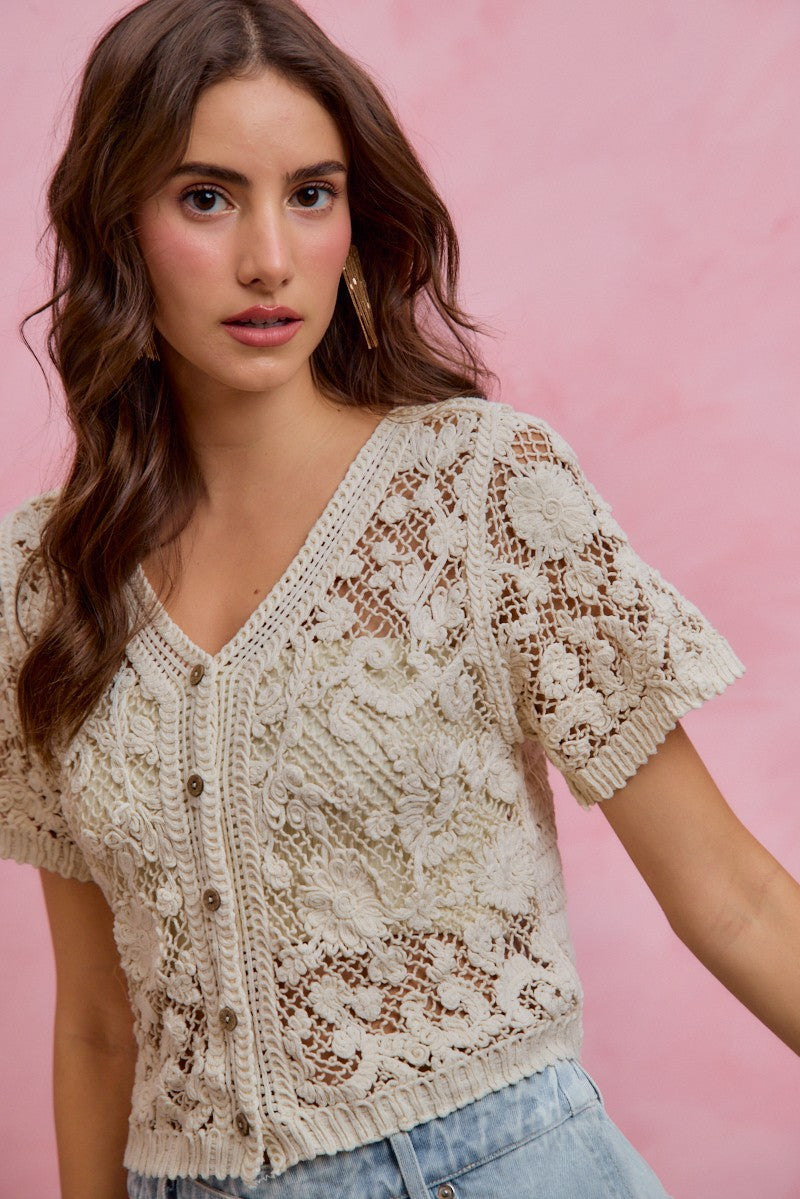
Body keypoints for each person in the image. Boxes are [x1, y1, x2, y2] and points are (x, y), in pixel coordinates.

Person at [1, 1, 798, 1197]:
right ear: (119, 225)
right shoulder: (46, 581)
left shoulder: (479, 490)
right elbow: (98, 1026)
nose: (269, 258)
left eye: (309, 194)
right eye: (206, 197)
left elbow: (729, 895)